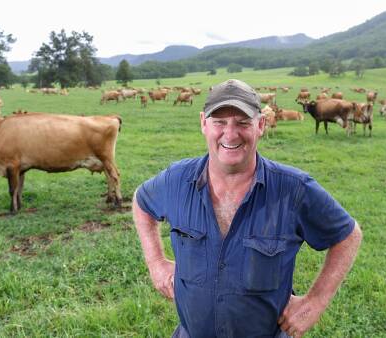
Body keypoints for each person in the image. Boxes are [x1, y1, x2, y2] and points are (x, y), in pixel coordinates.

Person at [133, 79, 362, 338]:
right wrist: (155, 263)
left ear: (261, 125)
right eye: (219, 122)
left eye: (243, 122)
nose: (230, 134)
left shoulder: (293, 189)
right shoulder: (176, 180)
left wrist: (315, 302)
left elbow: (348, 235)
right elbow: (141, 202)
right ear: (203, 124)